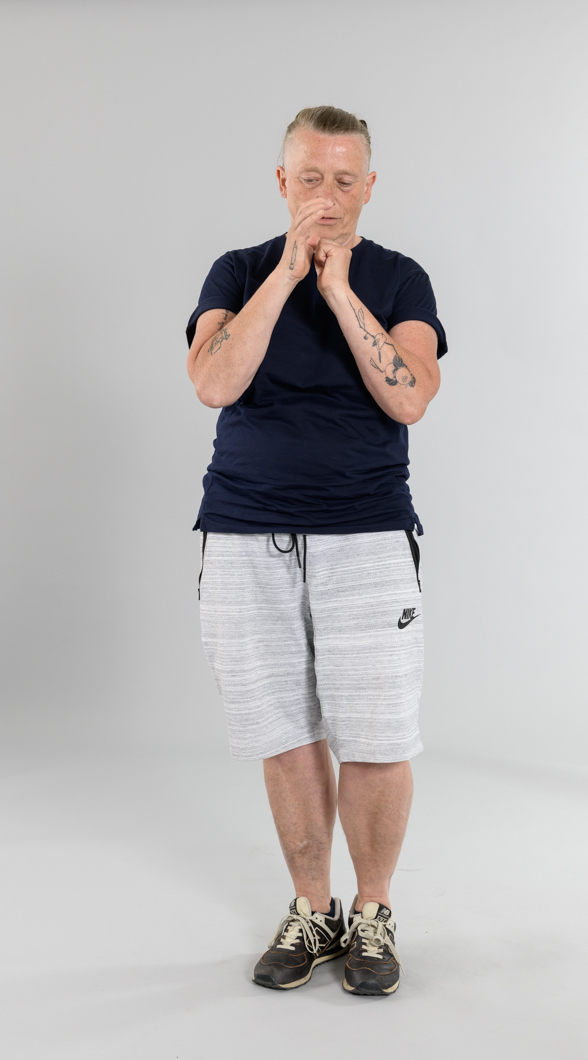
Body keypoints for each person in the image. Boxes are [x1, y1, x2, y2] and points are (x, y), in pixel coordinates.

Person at [185, 106, 447, 996]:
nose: (325, 196)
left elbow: (409, 397)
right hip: (244, 532)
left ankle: (371, 912)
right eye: (309, 178)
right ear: (281, 182)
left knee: (375, 733)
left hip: (365, 534)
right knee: (283, 730)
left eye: (343, 180)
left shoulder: (400, 279)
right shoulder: (238, 269)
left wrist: (337, 290)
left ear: (368, 186)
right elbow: (212, 381)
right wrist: (289, 275)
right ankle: (311, 907)